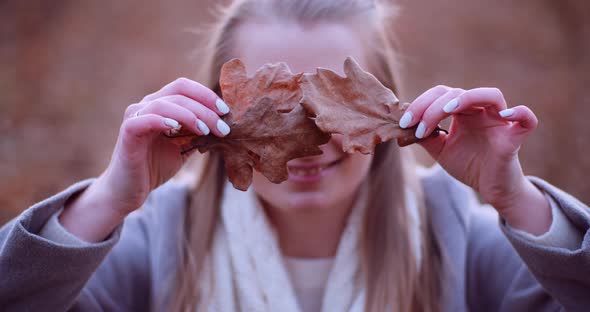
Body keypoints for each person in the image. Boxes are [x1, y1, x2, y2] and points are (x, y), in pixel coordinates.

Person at [1, 0, 589, 311]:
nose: (312, 141)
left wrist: (516, 199)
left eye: (334, 104)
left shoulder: (460, 240)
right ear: (214, 115)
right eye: (277, 110)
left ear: (388, 106)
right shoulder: (155, 246)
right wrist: (106, 201)